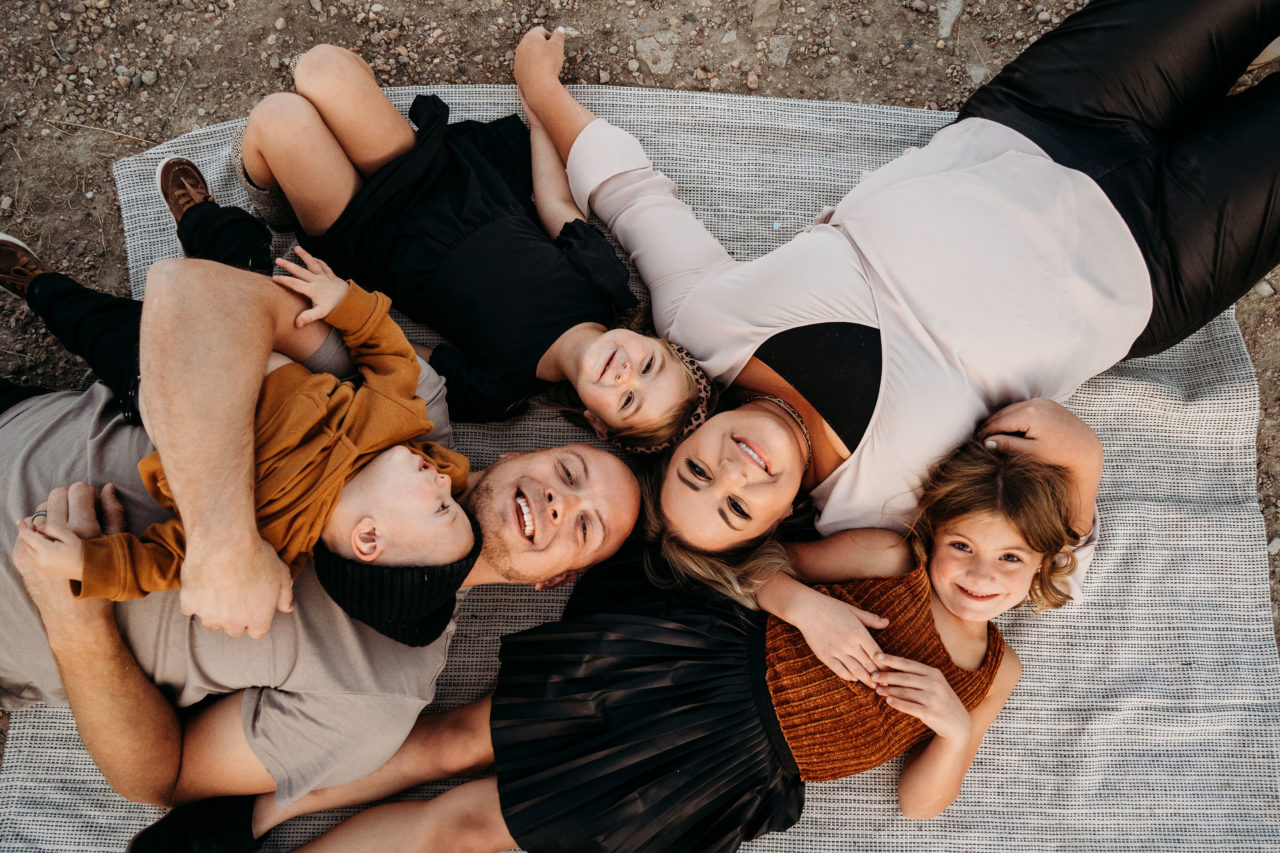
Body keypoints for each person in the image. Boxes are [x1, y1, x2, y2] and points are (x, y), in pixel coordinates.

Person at [134, 403, 1096, 853]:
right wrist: (800, 603)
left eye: (1009, 564)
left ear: (1040, 575)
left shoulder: (992, 672)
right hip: (693, 671)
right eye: (965, 548)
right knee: (459, 738)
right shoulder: (891, 559)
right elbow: (757, 562)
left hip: (726, 773)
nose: (978, 577)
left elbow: (922, 806)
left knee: (467, 830)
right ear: (935, 536)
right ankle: (260, 811)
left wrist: (955, 729)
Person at [513, 0, 1280, 561]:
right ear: (775, 522)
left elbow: (634, 197)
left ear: (689, 434)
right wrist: (1080, 464)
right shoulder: (870, 514)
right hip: (1161, 256)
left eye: (696, 471)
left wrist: (540, 91)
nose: (733, 470)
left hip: (1043, 119)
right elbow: (1035, 561)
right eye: (737, 505)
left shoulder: (698, 325)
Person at [0, 237, 641, 817]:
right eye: (570, 469)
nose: (563, 502)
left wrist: (74, 622)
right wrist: (224, 543)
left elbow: (159, 777)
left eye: (586, 527)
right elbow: (191, 290)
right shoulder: (415, 410)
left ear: (552, 580)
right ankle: (42, 284)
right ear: (515, 452)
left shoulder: (377, 697)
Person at [201, 43, 712, 449]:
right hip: (445, 181)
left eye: (626, 401)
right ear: (658, 343)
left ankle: (276, 201)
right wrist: (538, 111)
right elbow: (555, 204)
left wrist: (344, 305)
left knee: (279, 117)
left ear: (598, 426)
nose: (627, 374)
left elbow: (396, 353)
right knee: (321, 68)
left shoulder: (502, 392)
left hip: (374, 240)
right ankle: (325, 150)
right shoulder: (606, 289)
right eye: (649, 367)